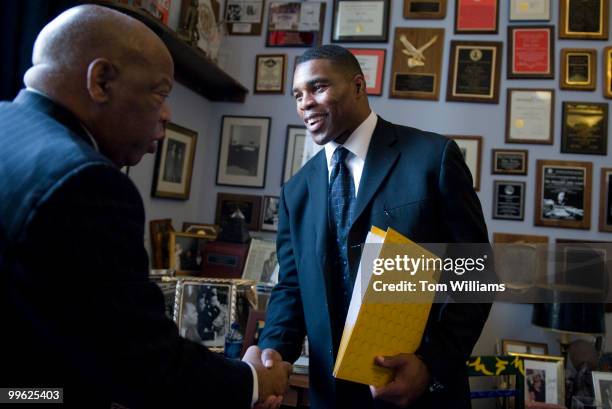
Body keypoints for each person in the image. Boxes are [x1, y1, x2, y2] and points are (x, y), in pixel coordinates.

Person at [0, 5, 291, 408]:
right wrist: (253, 381)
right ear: (100, 81)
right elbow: (142, 366)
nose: (168, 113)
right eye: (160, 93)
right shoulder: (85, 183)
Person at [258, 45, 492, 409]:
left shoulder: (433, 158)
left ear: (357, 85)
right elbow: (291, 287)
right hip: (329, 396)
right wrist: (273, 354)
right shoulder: (296, 191)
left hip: (420, 394)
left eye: (317, 87)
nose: (304, 103)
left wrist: (431, 365)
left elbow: (475, 272)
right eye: (297, 95)